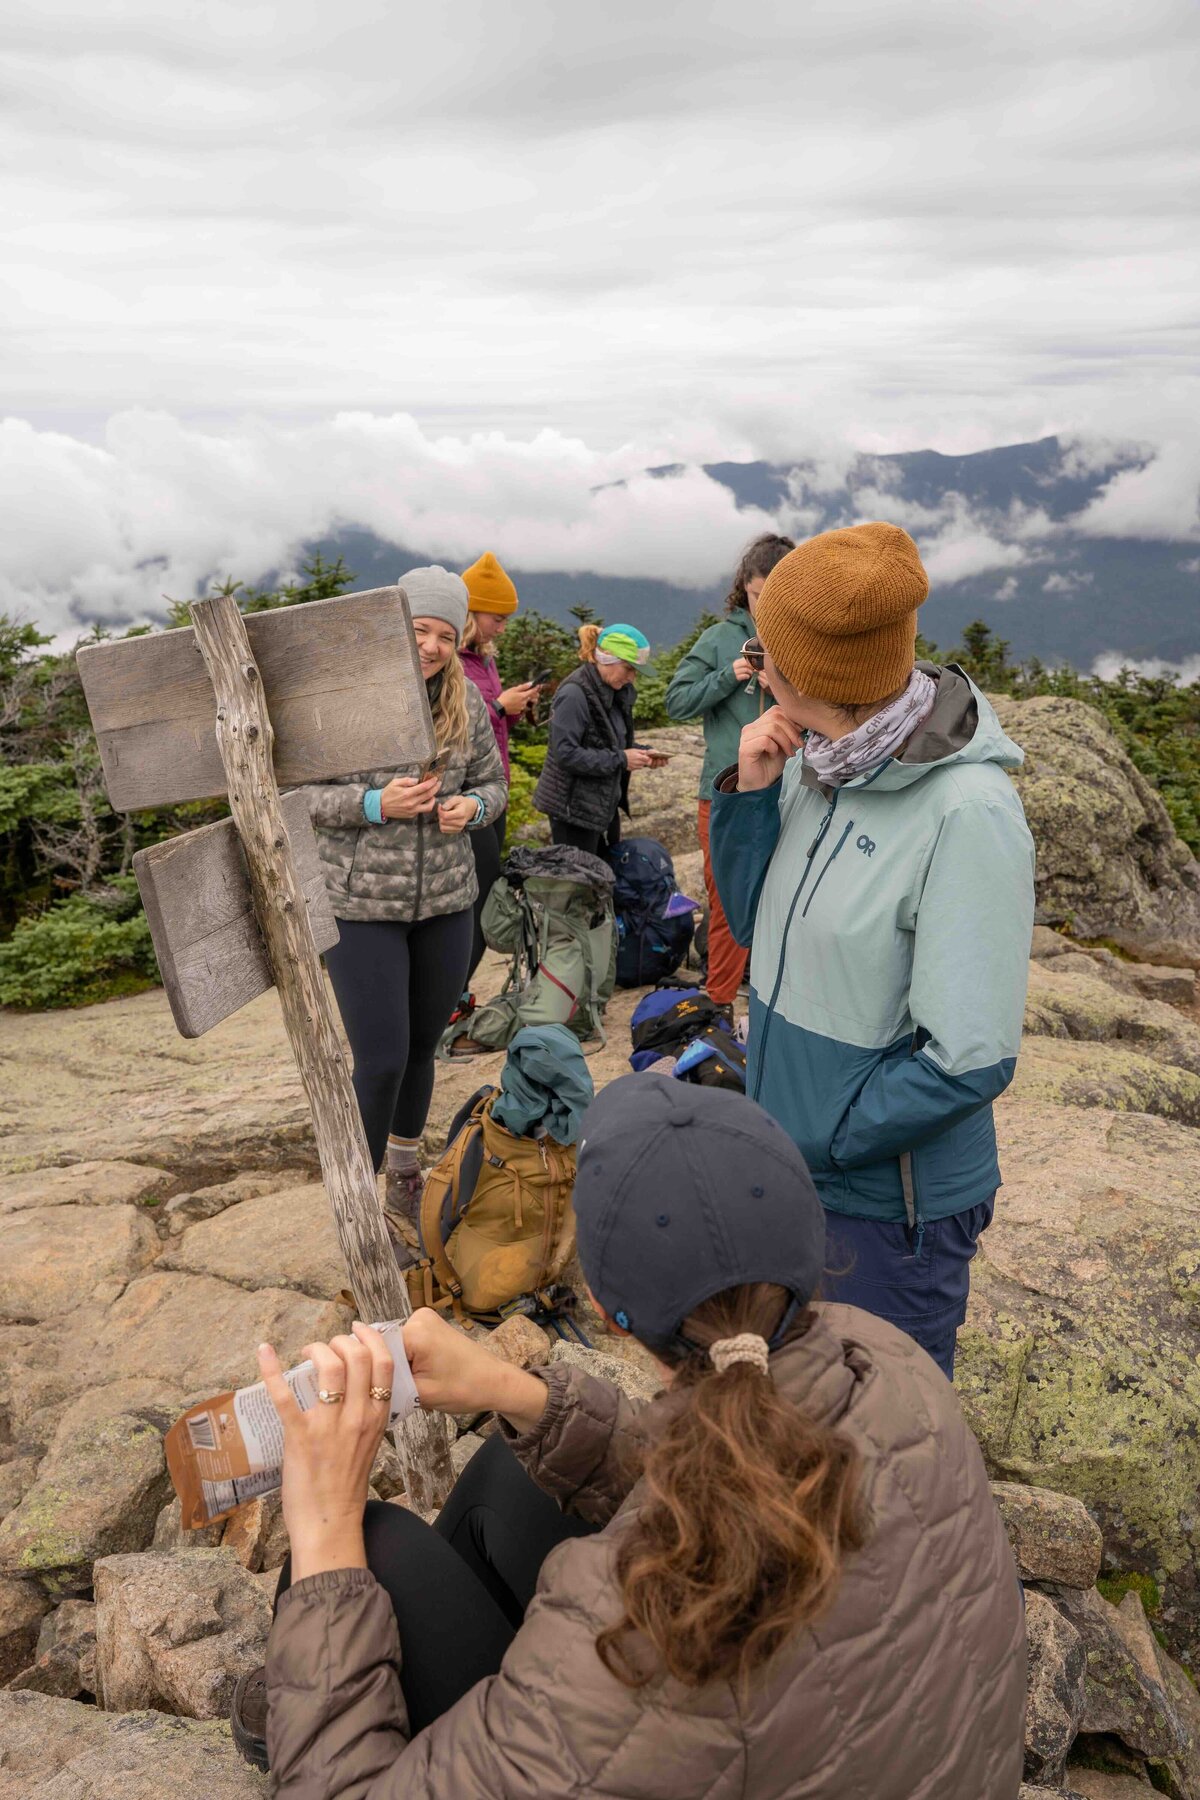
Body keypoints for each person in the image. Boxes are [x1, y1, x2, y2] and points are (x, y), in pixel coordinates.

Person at [235, 1074, 1027, 1797]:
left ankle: (338, 1703)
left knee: (370, 1550)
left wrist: (325, 1531)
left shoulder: (637, 1650)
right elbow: (728, 1457)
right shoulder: (882, 1355)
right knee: (513, 1479)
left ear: (613, 1317)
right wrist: (508, 1390)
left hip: (676, 1725)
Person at [709, 522, 1036, 1379]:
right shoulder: (829, 762)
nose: (755, 667)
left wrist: (823, 1130)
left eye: (762, 652)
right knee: (804, 1416)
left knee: (886, 1454)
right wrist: (748, 796)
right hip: (803, 1169)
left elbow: (970, 1057)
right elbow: (756, 930)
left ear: (805, 672)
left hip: (891, 1210)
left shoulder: (966, 813)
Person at [302, 565, 506, 1249]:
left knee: (424, 1047)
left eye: (445, 635)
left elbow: (494, 784)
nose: (431, 646)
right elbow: (295, 798)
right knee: (382, 1057)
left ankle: (406, 1171)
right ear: (393, 625)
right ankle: (356, 1210)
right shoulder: (346, 700)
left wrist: (473, 806)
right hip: (360, 908)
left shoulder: (464, 701)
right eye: (419, 629)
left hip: (446, 901)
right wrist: (374, 805)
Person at [665, 533, 794, 1012]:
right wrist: (731, 674)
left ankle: (767, 990)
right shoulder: (721, 639)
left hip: (792, 790)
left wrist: (783, 685)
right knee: (726, 899)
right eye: (760, 595)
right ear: (744, 587)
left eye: (779, 596)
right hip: (724, 789)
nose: (767, 607)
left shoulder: (799, 639)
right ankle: (717, 1003)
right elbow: (676, 700)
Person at [457, 552, 541, 1000]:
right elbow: (448, 731)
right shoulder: (450, 662)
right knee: (474, 905)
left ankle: (456, 995)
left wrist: (510, 711)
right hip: (465, 798)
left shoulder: (486, 661)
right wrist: (496, 707)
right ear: (471, 613)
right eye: (497, 617)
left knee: (482, 901)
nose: (502, 627)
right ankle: (451, 998)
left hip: (496, 792)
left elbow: (492, 731)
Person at [533, 621, 654, 857]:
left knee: (602, 882)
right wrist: (621, 759)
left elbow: (611, 743)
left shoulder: (614, 693)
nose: (632, 678)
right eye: (628, 669)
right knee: (579, 886)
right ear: (608, 659)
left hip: (599, 807)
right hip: (572, 813)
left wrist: (642, 753)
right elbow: (566, 754)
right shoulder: (574, 694)